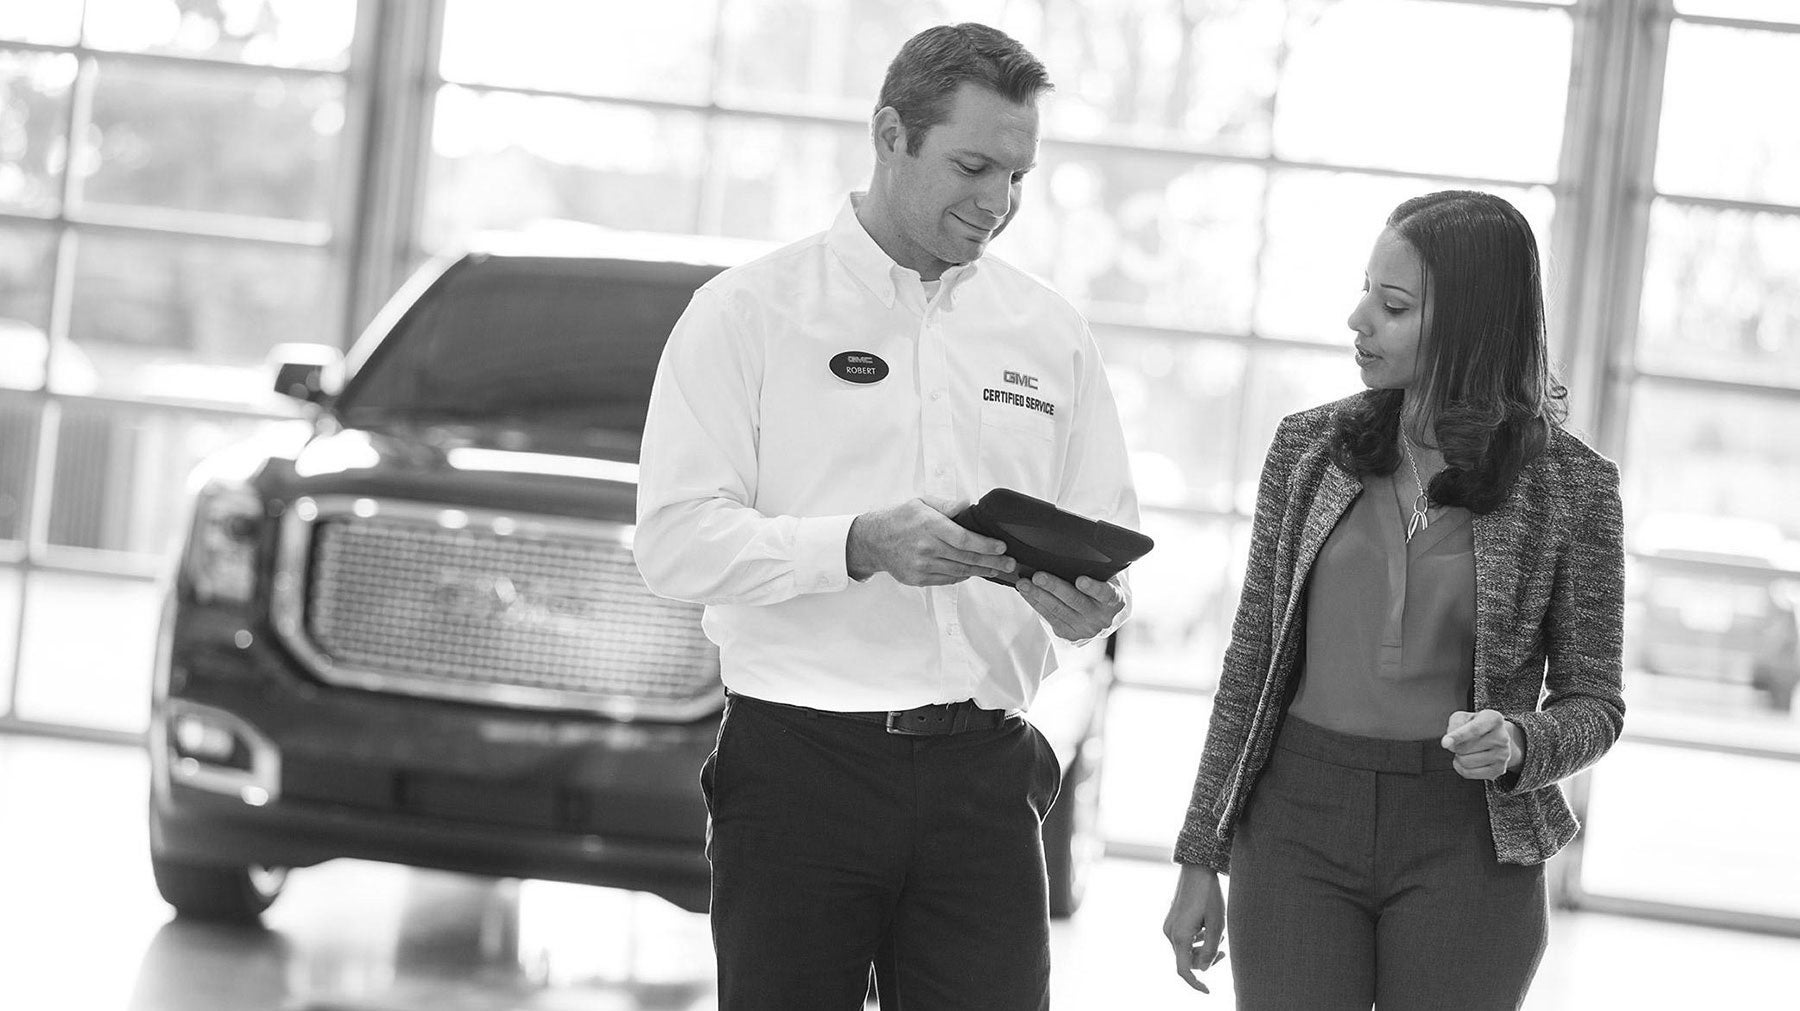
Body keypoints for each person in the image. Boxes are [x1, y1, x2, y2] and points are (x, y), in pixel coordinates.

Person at [634, 22, 1140, 1011]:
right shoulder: (748, 314)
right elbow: (673, 543)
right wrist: (857, 545)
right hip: (799, 772)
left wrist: (1092, 605)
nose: (997, 201)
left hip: (985, 779)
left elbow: (1104, 542)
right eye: (972, 165)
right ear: (890, 134)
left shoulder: (1048, 334)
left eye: (1019, 176)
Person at [1161, 190, 1625, 1009]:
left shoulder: (1572, 487)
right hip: (1294, 819)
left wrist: (1521, 740)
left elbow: (1596, 699)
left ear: (1476, 322)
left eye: (1394, 303)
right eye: (1366, 289)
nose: (1358, 317)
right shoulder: (1308, 450)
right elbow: (1249, 663)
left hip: (1467, 836)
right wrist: (1201, 851)